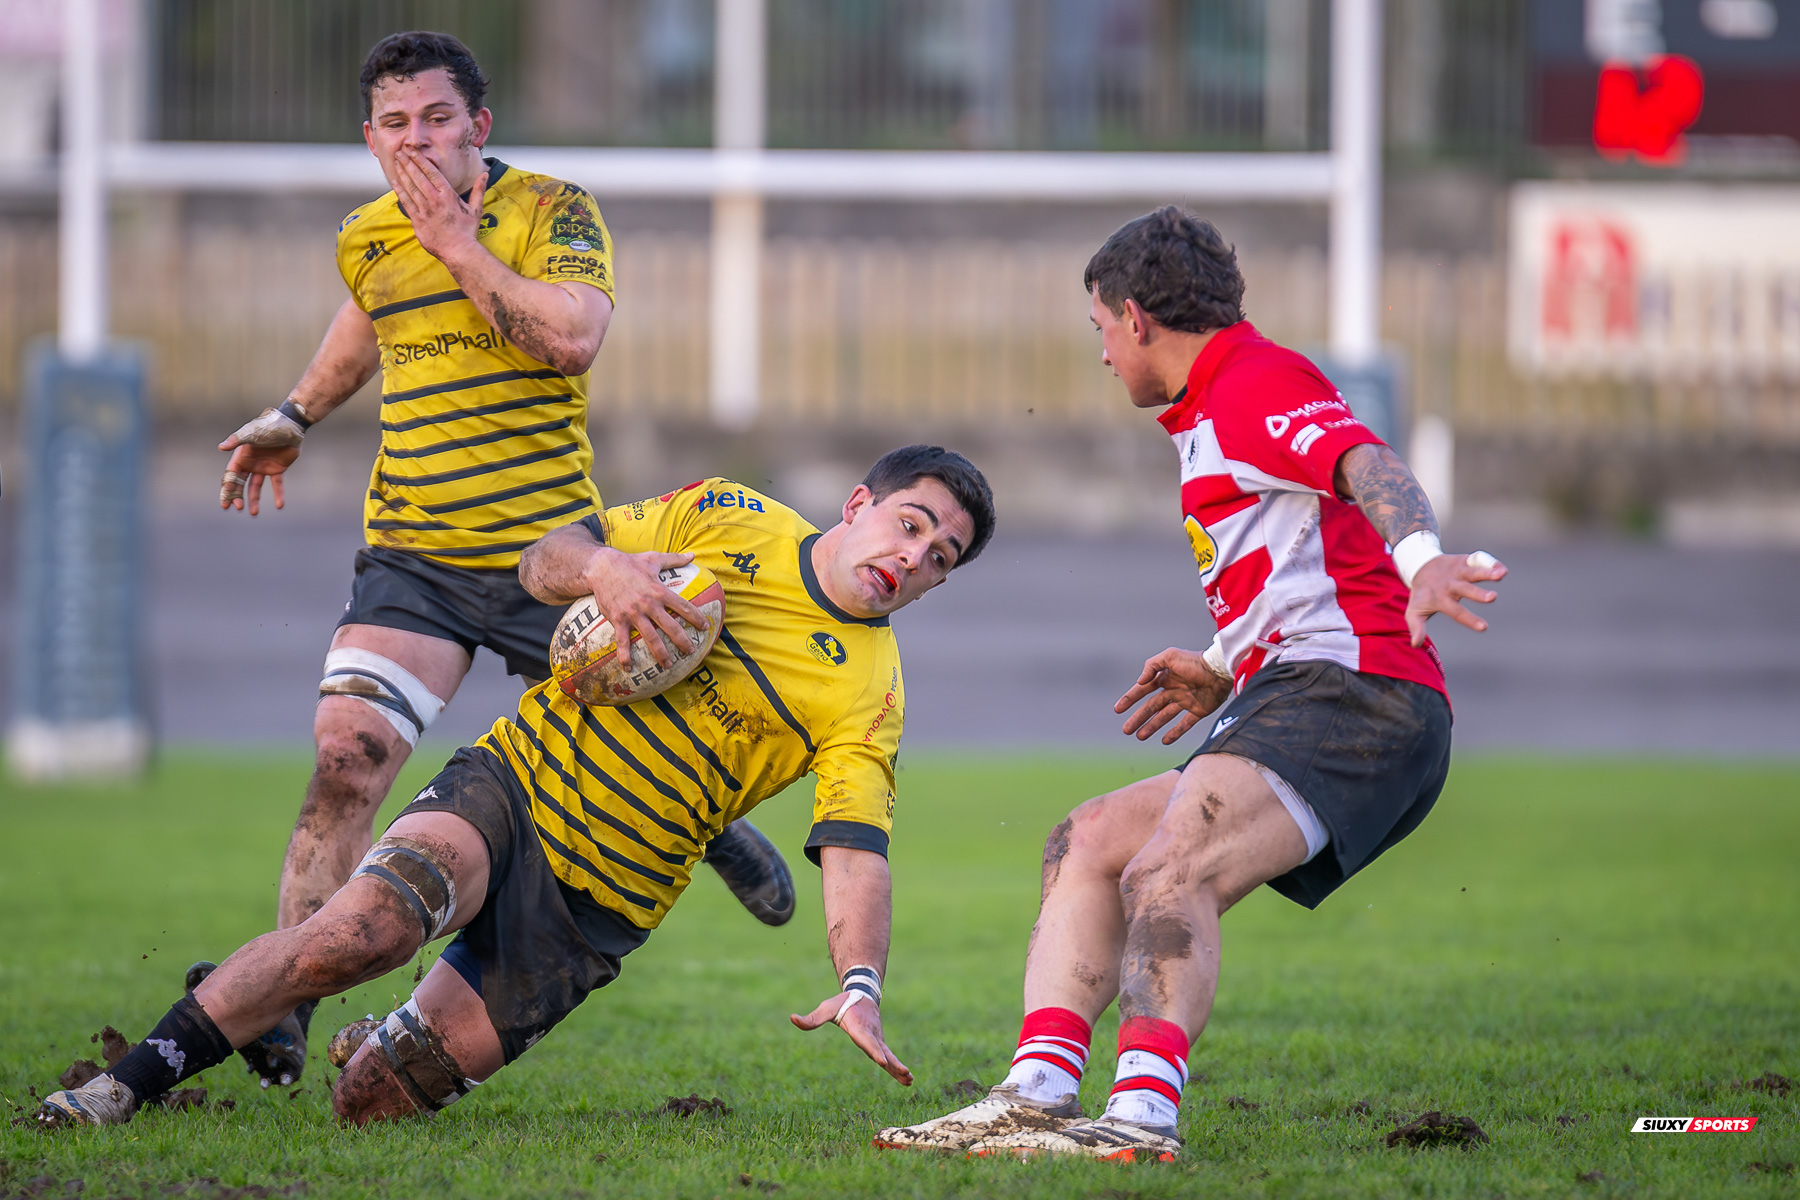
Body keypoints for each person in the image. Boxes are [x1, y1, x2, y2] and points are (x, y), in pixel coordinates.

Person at [37, 445, 996, 1129]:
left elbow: (855, 848)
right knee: (360, 935)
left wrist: (860, 984)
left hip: (599, 908)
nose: (912, 558)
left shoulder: (869, 691)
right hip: (516, 789)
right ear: (860, 503)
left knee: (367, 1103)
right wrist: (608, 572)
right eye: (910, 525)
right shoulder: (726, 516)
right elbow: (544, 562)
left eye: (939, 560)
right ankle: (120, 1086)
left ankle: (388, 1034)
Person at [205, 31, 791, 1088]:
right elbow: (366, 316)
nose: (416, 141)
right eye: (394, 124)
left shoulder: (554, 209)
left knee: (670, 727)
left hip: (548, 554)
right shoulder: (368, 237)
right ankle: (285, 1011)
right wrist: (296, 412)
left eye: (437, 119)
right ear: (369, 137)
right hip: (415, 555)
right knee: (346, 760)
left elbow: (570, 340)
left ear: (478, 125)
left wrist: (460, 245)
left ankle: (718, 823)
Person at [875, 208, 1508, 1162]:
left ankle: (1139, 1119)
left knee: (1168, 870)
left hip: (1359, 695)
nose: (1101, 355)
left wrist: (1422, 558)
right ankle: (1035, 1092)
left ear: (1134, 317)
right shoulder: (1212, 411)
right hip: (1296, 683)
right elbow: (1301, 558)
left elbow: (1365, 462)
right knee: (1087, 841)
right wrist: (1223, 662)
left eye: (1098, 330)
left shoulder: (1252, 384)